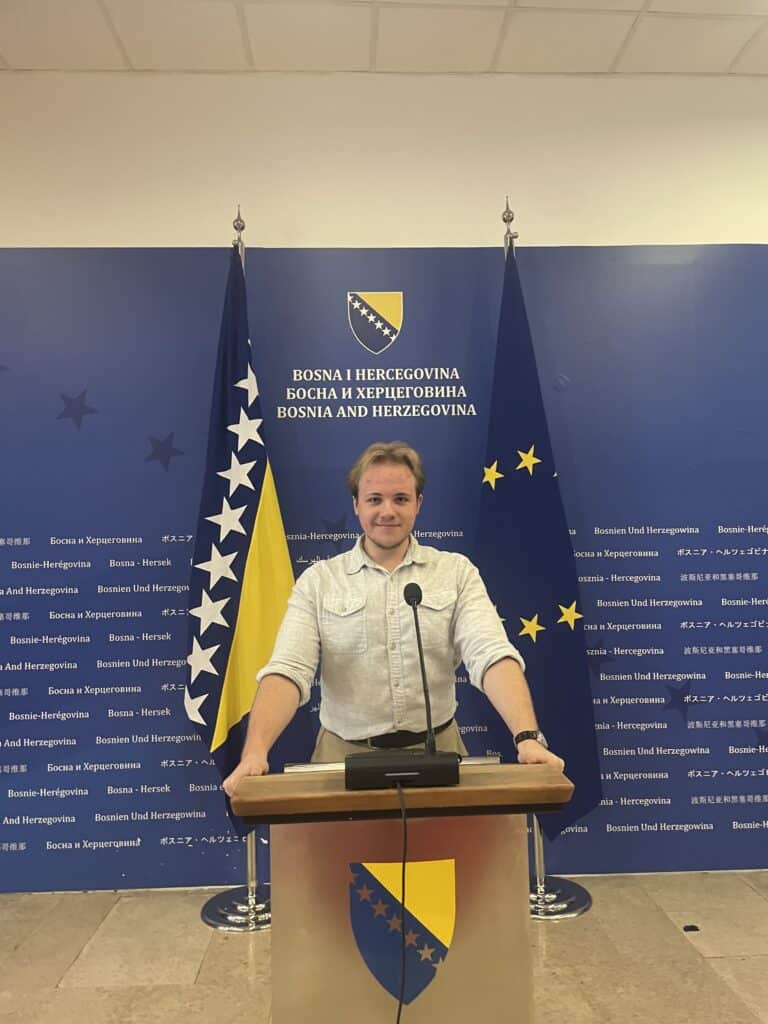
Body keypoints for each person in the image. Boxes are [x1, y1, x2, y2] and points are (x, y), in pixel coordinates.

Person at [223, 441, 563, 795]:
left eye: (401, 499)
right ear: (356, 505)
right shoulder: (319, 582)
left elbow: (491, 655)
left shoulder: (456, 573)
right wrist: (255, 752)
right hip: (341, 757)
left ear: (418, 504)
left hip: (439, 753)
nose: (388, 511)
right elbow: (288, 670)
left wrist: (527, 737)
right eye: (375, 499)